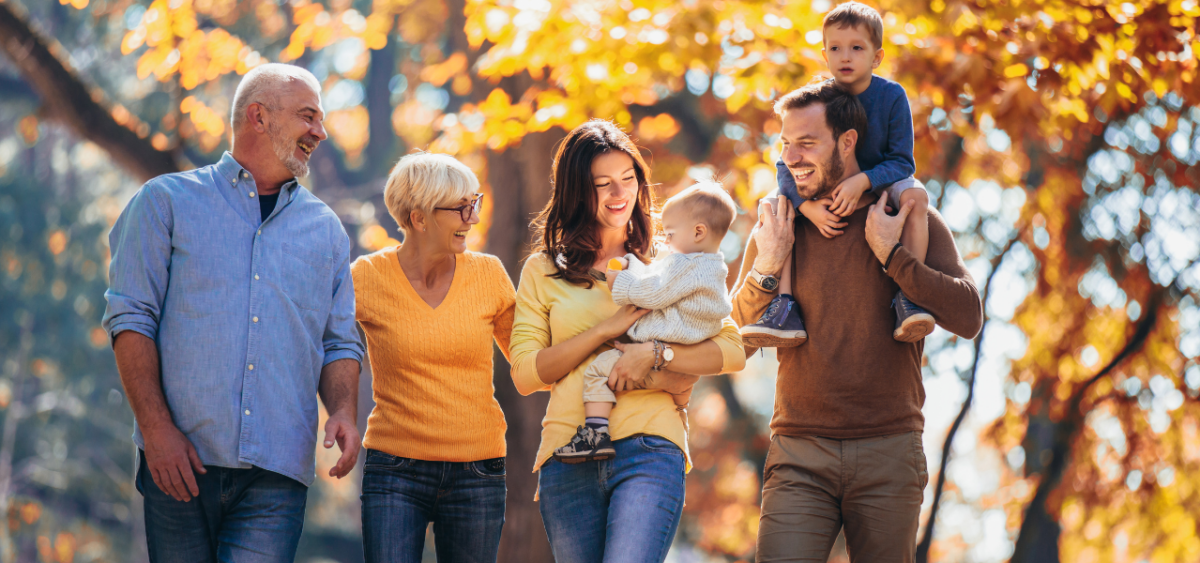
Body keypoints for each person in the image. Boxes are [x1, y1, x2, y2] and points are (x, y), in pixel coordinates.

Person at [101, 63, 363, 562]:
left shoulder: (326, 230)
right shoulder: (165, 203)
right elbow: (131, 318)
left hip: (276, 476)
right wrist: (156, 432)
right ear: (258, 117)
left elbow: (339, 341)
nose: (320, 133)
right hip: (179, 464)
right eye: (309, 117)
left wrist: (344, 411)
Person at [732, 81, 983, 562]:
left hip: (889, 451)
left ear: (847, 141)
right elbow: (730, 340)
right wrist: (767, 268)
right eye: (785, 144)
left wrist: (893, 255)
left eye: (807, 143)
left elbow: (968, 316)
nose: (791, 157)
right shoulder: (779, 223)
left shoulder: (906, 216)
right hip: (798, 452)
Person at [510, 120, 746, 562]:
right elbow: (525, 374)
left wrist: (657, 356)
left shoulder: (672, 260)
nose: (619, 194)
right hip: (567, 454)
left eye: (628, 180)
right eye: (602, 184)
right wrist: (604, 329)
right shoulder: (543, 271)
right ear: (577, 191)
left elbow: (732, 351)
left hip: (650, 447)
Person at [741, 1, 935, 347]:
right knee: (776, 206)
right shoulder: (822, 98)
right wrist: (804, 205)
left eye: (857, 48)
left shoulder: (891, 97)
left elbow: (903, 162)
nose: (845, 57)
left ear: (877, 57)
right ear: (825, 54)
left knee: (916, 197)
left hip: (882, 184)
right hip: (819, 189)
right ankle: (784, 306)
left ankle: (910, 295)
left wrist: (863, 181)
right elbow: (787, 162)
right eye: (835, 48)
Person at [352, 152, 515, 562]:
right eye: (461, 208)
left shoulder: (489, 274)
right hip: (394, 470)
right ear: (419, 218)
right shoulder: (365, 277)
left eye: (473, 204)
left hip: (477, 470)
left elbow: (533, 362)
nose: (472, 218)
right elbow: (324, 347)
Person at [554, 182, 737, 462]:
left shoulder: (683, 264)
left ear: (698, 232)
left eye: (671, 234)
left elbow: (653, 292)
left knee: (598, 371)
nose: (666, 241)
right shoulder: (712, 266)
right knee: (679, 389)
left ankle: (595, 434)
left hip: (665, 337)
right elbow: (658, 275)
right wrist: (633, 264)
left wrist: (621, 281)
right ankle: (679, 412)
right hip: (688, 347)